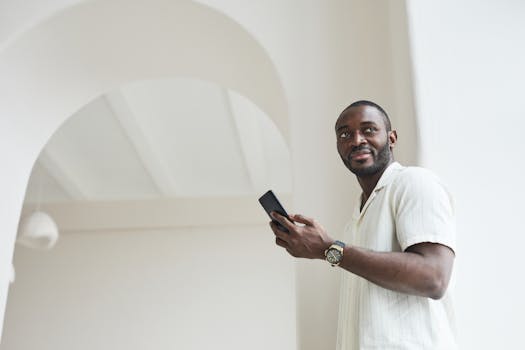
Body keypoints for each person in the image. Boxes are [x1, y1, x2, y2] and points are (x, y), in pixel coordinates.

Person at [269, 100, 457, 349]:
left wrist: (328, 250)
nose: (357, 140)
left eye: (368, 129)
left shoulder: (413, 183)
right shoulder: (355, 222)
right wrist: (328, 250)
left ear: (391, 138)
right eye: (345, 134)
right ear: (338, 147)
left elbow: (433, 277)